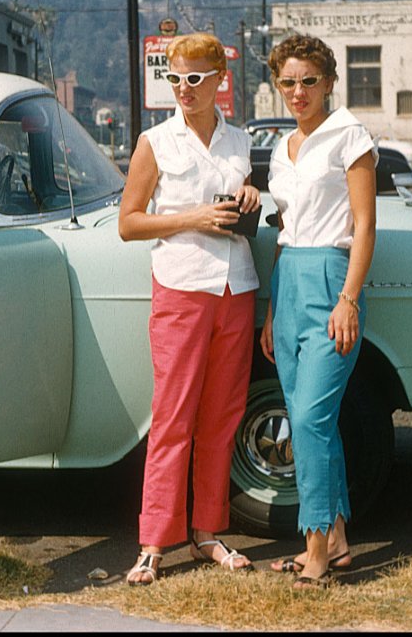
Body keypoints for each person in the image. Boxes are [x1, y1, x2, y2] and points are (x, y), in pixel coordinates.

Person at [117, 32, 262, 586]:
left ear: (220, 80)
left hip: (235, 286)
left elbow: (240, 203)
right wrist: (191, 219)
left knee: (222, 418)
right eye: (174, 78)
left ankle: (207, 533)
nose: (183, 89)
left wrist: (249, 196)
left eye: (195, 79)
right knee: (173, 417)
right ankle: (153, 543)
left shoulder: (239, 141)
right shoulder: (155, 141)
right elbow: (130, 223)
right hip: (180, 288)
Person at [258, 34, 377, 590]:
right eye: (288, 81)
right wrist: (270, 311)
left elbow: (364, 225)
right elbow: (284, 231)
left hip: (332, 280)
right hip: (288, 284)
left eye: (309, 80)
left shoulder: (348, 136)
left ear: (329, 82)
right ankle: (340, 541)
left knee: (308, 421)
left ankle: (315, 554)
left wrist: (349, 299)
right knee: (311, 419)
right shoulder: (282, 149)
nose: (298, 91)